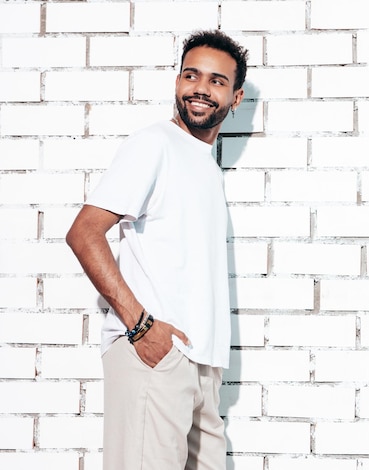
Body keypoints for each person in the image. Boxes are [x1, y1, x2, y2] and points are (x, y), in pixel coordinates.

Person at [66, 30, 247, 470]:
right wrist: (142, 327)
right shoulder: (154, 144)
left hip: (202, 365)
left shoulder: (205, 165)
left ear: (236, 97)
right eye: (192, 75)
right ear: (177, 82)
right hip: (156, 358)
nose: (201, 88)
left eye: (217, 81)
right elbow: (85, 233)